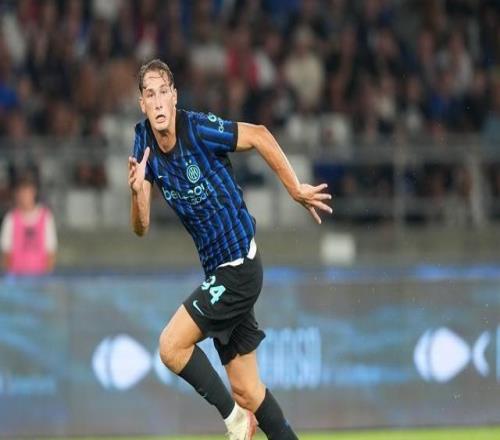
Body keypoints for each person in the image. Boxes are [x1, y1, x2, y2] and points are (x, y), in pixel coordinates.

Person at [128, 59, 332, 440]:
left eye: (162, 92)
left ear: (174, 97)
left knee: (170, 347)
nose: (156, 102)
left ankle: (235, 420)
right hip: (219, 274)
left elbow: (260, 135)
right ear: (142, 103)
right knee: (248, 391)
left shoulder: (197, 128)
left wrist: (295, 188)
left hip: (239, 266)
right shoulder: (143, 145)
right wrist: (138, 193)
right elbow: (141, 228)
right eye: (149, 94)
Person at [1, 175, 57, 276]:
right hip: (16, 278)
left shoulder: (46, 217)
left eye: (27, 192)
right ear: (17, 194)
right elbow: (6, 253)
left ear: (33, 193)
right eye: (21, 193)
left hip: (40, 277)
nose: (24, 197)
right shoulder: (10, 218)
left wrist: (46, 277)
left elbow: (50, 253)